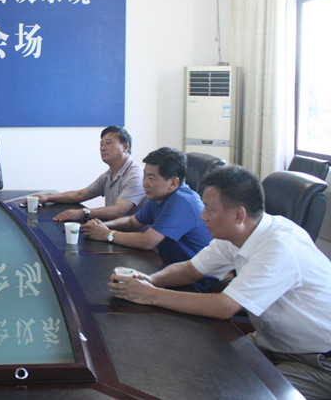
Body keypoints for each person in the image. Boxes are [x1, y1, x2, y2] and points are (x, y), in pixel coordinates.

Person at [108, 165, 331, 400]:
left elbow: (224, 307)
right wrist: (150, 280)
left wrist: (150, 294)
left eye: (210, 210)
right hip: (272, 342)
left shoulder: (279, 245)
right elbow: (190, 269)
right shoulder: (237, 233)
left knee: (241, 393)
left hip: (317, 360)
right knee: (195, 363)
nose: (203, 216)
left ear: (238, 215)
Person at [81, 147, 213, 269]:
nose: (145, 183)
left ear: (173, 183)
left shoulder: (183, 201)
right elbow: (132, 222)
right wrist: (101, 225)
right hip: (171, 266)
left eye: (151, 178)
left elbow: (147, 241)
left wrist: (107, 234)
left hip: (197, 279)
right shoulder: (158, 196)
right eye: (144, 175)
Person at [35, 126, 145, 222]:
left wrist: (82, 212)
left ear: (125, 147)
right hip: (112, 230)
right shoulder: (110, 173)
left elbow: (119, 210)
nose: (103, 148)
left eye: (108, 143)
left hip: (131, 236)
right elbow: (81, 194)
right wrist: (47, 197)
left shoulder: (135, 176)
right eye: (101, 144)